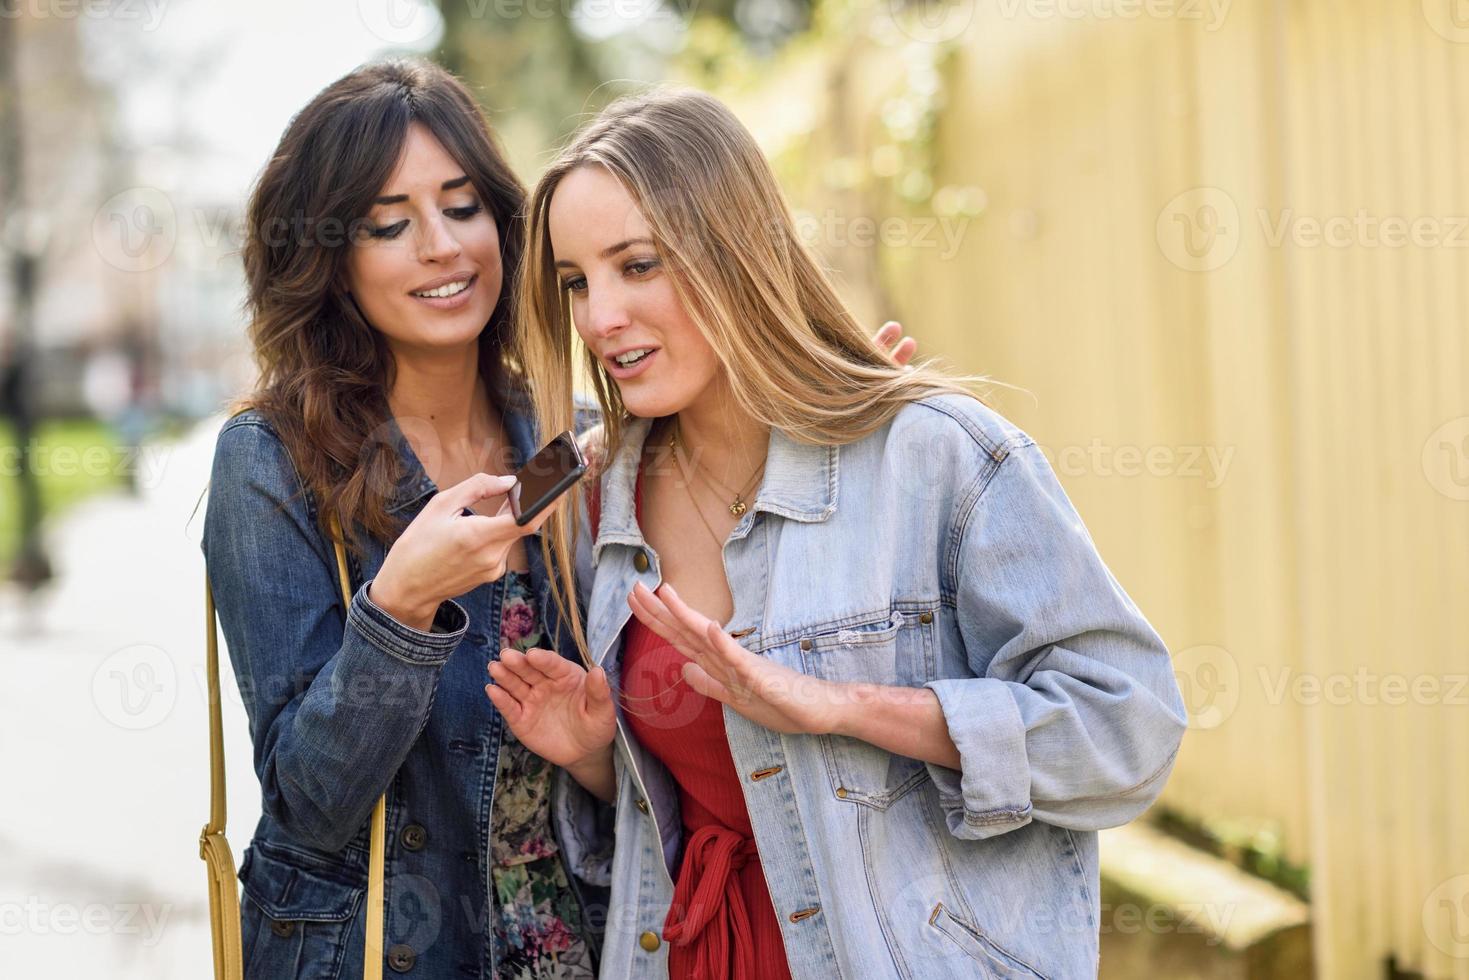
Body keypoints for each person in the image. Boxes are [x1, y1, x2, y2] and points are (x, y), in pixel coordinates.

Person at [203, 61, 914, 980]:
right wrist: (402, 606)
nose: (439, 247)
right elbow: (309, 806)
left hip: (587, 946)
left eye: (461, 208)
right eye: (388, 224)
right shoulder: (274, 461)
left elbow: (667, 753)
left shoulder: (575, 443)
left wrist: (829, 426)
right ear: (330, 258)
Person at [488, 87, 1189, 980]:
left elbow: (1128, 733)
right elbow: (687, 799)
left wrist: (844, 707)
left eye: (639, 265)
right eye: (576, 283)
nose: (599, 317)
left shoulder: (931, 455)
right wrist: (595, 756)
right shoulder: (600, 496)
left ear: (734, 254)